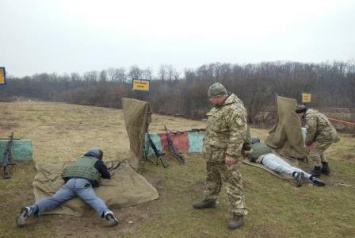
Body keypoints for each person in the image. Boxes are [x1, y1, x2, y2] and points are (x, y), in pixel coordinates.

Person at [192, 82, 249, 230]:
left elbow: (238, 134)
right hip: (213, 153)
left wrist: (231, 154)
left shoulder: (235, 109)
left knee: (233, 182)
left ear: (219, 96)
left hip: (225, 154)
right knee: (212, 177)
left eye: (211, 98)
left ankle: (238, 213)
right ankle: (210, 200)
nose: (210, 100)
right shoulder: (218, 107)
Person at [16, 148, 119, 227]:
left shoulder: (79, 159)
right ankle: (107, 214)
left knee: (54, 199)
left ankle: (30, 209)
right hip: (83, 184)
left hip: (69, 183)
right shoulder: (98, 162)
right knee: (93, 199)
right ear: (99, 156)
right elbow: (107, 175)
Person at [246, 141, 325, 187]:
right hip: (273, 156)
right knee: (289, 166)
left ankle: (295, 174)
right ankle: (311, 177)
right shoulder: (263, 145)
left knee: (278, 168)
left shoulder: (251, 149)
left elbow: (251, 158)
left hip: (265, 159)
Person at [295, 105, 339, 177]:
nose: (298, 116)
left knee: (313, 152)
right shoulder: (314, 113)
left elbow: (311, 132)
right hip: (328, 134)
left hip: (325, 135)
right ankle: (325, 168)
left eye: (298, 114)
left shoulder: (309, 117)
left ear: (301, 113)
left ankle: (317, 171)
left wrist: (307, 143)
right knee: (319, 151)